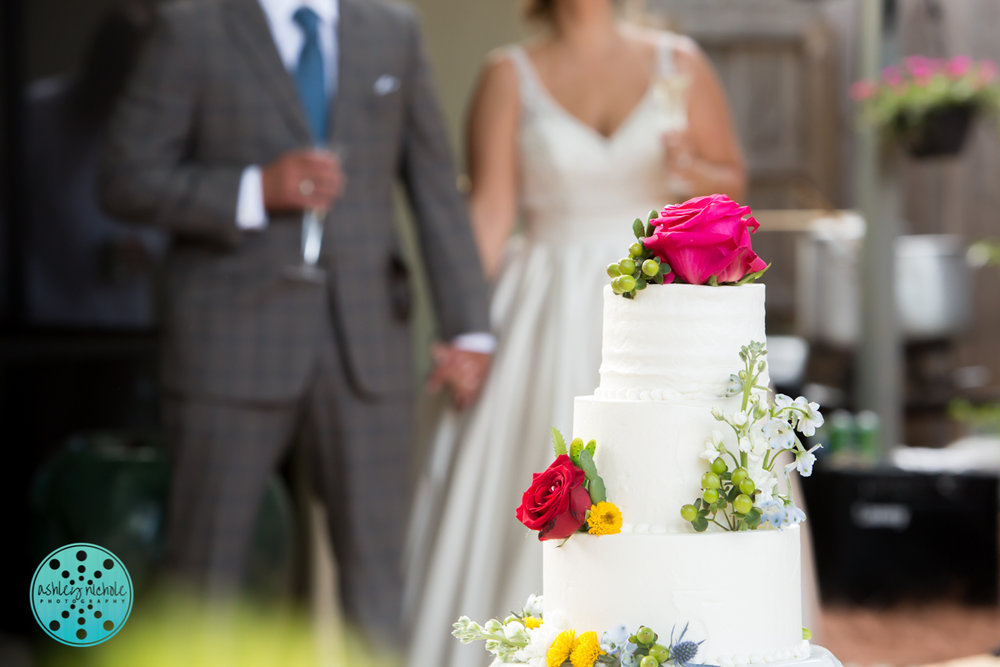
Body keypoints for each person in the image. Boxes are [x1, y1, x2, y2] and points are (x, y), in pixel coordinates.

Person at [99, 0, 492, 649]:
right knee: (206, 580)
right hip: (227, 342)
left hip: (366, 342)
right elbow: (124, 177)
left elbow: (432, 185)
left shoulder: (392, 27)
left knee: (377, 586)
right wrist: (253, 188)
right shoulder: (191, 25)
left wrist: (469, 326)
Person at [404, 0, 745, 664]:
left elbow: (730, 181)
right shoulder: (509, 74)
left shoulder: (680, 61)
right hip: (544, 304)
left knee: (665, 479)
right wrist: (463, 324)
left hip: (657, 297)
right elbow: (493, 209)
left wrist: (691, 173)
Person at [23, 2, 166, 328]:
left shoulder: (149, 125)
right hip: (42, 312)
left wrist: (144, 246)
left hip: (121, 316)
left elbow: (166, 208)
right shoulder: (36, 113)